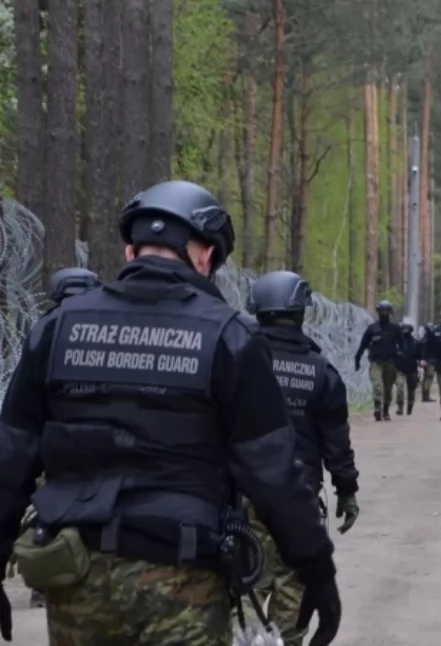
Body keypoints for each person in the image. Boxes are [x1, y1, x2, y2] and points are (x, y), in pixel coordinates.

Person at [0, 180, 340, 645]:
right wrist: (315, 568)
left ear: (130, 251)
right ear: (203, 257)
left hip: (76, 577)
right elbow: (273, 470)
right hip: (183, 577)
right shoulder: (229, 336)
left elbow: (12, 456)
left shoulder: (58, 328)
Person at [247, 270, 360, 646]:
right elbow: (336, 444)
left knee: (238, 591)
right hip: (298, 501)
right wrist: (346, 491)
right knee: (293, 597)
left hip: (239, 500)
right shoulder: (321, 372)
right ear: (302, 312)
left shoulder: (235, 358)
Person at [6, 267, 103, 611]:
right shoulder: (103, 330)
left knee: (49, 511)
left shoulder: (47, 331)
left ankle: (44, 583)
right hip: (94, 448)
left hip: (51, 444)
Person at [354, 300, 405, 421]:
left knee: (388, 388)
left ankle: (386, 410)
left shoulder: (395, 328)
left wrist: (401, 358)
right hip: (376, 362)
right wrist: (357, 359)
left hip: (391, 362)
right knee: (377, 385)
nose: (384, 314)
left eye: (387, 311)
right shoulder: (372, 329)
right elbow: (363, 344)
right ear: (378, 312)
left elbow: (403, 345)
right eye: (382, 311)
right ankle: (377, 408)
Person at [393, 322, 422, 416]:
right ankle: (400, 407)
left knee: (411, 389)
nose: (405, 332)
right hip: (399, 368)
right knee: (400, 387)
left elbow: (420, 356)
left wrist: (421, 364)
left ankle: (410, 406)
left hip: (412, 369)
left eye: (407, 330)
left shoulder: (415, 343)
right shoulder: (396, 343)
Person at [418, 322, 436, 402]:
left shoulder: (424, 339)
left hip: (426, 360)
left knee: (426, 378)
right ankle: (426, 395)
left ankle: (425, 395)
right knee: (429, 377)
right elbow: (426, 351)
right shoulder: (429, 339)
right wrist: (424, 359)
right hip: (429, 360)